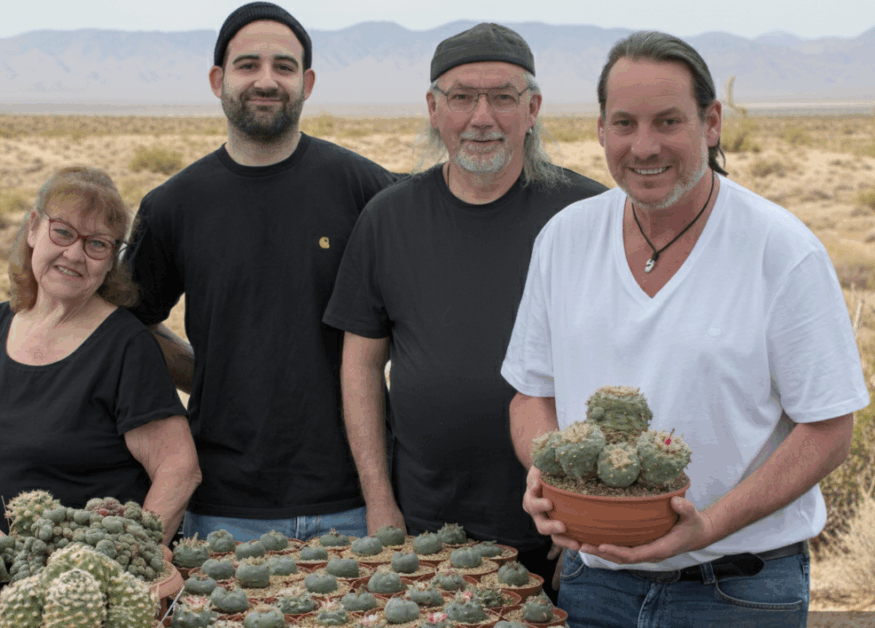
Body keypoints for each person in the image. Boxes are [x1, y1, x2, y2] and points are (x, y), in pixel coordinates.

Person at [502, 31, 870, 628]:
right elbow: (531, 393)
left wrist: (707, 526)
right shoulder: (564, 240)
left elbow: (829, 429)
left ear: (712, 122)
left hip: (739, 592)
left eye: (668, 121)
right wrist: (548, 476)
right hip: (595, 585)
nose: (644, 146)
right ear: (601, 130)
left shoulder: (781, 250)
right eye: (624, 123)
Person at [322, 23, 606, 599]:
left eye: (503, 97)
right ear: (434, 109)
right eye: (462, 97)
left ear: (532, 109)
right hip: (425, 530)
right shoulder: (388, 218)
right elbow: (360, 366)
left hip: (556, 528)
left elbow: (626, 365)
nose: (482, 117)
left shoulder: (588, 216)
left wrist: (587, 509)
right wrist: (379, 502)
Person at [126, 2, 398, 542]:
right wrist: (206, 374)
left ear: (308, 83)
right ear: (218, 80)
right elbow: (127, 326)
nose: (267, 80)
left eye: (284, 66)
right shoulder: (174, 205)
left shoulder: (366, 190)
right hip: (222, 510)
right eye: (248, 65)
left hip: (356, 504)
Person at [0, 166, 200, 545]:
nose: (74, 254)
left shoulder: (126, 346)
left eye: (97, 244)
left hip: (78, 575)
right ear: (33, 229)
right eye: (63, 232)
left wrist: (132, 560)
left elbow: (179, 469)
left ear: (111, 260)